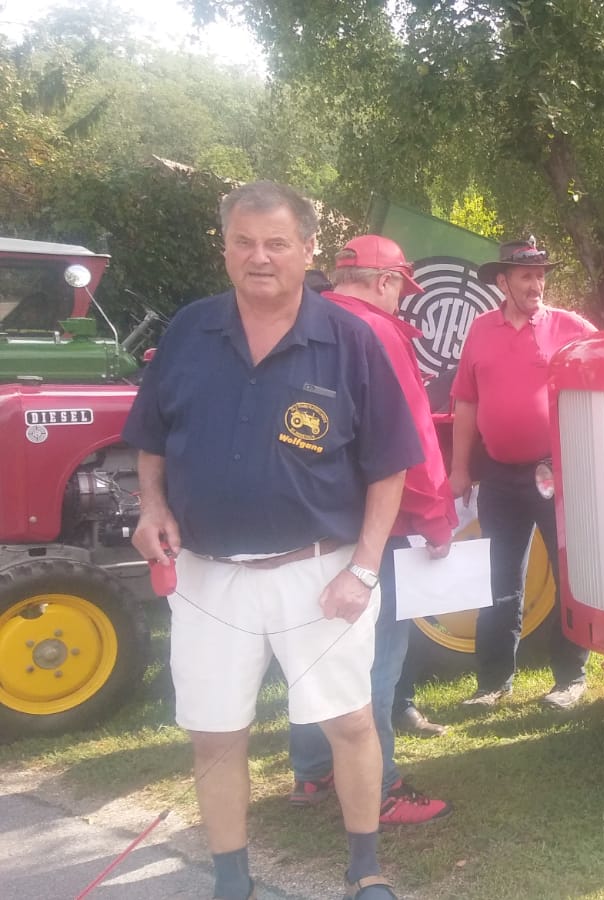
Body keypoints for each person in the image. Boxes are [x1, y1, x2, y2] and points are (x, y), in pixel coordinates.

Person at [123, 181, 422, 900]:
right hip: (204, 573)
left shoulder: (350, 340)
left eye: (277, 243)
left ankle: (365, 870)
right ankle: (233, 882)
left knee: (351, 723)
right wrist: (151, 506)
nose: (260, 257)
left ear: (308, 250)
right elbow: (152, 438)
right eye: (245, 242)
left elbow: (390, 466)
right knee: (215, 734)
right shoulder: (192, 331)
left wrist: (365, 570)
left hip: (317, 574)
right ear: (225, 248)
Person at [286, 235, 455, 827]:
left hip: (303, 525)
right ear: (387, 281)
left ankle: (311, 772)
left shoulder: (299, 324)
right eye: (401, 291)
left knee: (311, 649)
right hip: (366, 529)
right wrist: (436, 515)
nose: (401, 303)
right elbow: (408, 438)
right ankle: (378, 786)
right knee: (376, 657)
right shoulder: (378, 333)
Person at [450, 237, 595, 709]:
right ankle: (493, 683)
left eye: (540, 275)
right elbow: (466, 403)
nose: (537, 284)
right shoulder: (480, 331)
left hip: (556, 473)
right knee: (499, 580)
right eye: (526, 276)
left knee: (569, 576)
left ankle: (569, 680)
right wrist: (458, 469)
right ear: (503, 281)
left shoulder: (570, 327)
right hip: (497, 475)